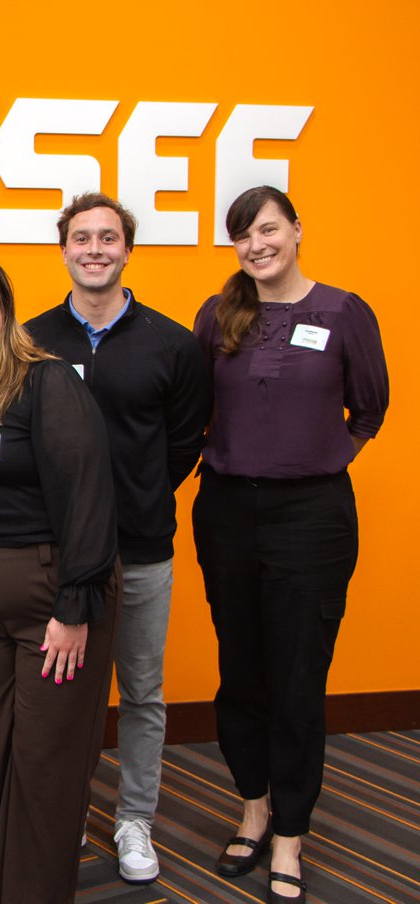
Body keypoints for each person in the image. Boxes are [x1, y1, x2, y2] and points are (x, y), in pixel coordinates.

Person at [192, 186, 388, 904]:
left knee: (298, 678)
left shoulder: (342, 311)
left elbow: (371, 406)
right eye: (242, 235)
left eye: (267, 229)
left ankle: (290, 835)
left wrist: (317, 459)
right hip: (226, 513)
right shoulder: (219, 315)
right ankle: (251, 807)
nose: (255, 245)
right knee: (241, 672)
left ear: (297, 230)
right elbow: (194, 409)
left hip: (312, 517)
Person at [25, 192, 210, 884]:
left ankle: (135, 820)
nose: (95, 248)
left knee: (141, 690)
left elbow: (184, 443)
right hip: (56, 551)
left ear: (127, 249)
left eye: (108, 237)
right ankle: (66, 810)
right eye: (82, 237)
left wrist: (130, 497)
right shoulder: (32, 339)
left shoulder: (171, 343)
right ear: (64, 249)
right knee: (64, 692)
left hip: (140, 548)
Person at [0, 250, 120, 904]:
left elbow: (89, 495)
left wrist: (74, 609)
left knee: (45, 764)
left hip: (50, 596)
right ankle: (10, 889)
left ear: (2, 305)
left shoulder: (48, 380)